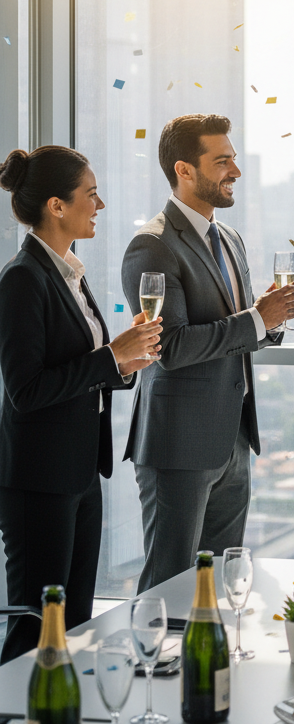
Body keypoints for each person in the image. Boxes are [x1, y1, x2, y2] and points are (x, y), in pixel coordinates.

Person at [121, 114, 294, 592]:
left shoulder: (231, 238)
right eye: (222, 161)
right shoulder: (152, 246)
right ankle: (156, 666)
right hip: (178, 445)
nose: (235, 171)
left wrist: (269, 323)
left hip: (233, 440)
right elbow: (171, 347)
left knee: (220, 582)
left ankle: (213, 667)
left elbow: (239, 330)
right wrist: (259, 318)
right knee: (170, 584)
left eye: (234, 159)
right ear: (184, 169)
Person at [0, 146, 161, 662]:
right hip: (38, 482)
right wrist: (111, 357)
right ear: (56, 206)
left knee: (75, 625)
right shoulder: (22, 279)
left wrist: (122, 363)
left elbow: (78, 367)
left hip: (78, 474)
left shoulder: (69, 272)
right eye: (90, 194)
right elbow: (25, 391)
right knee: (36, 633)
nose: (101, 204)